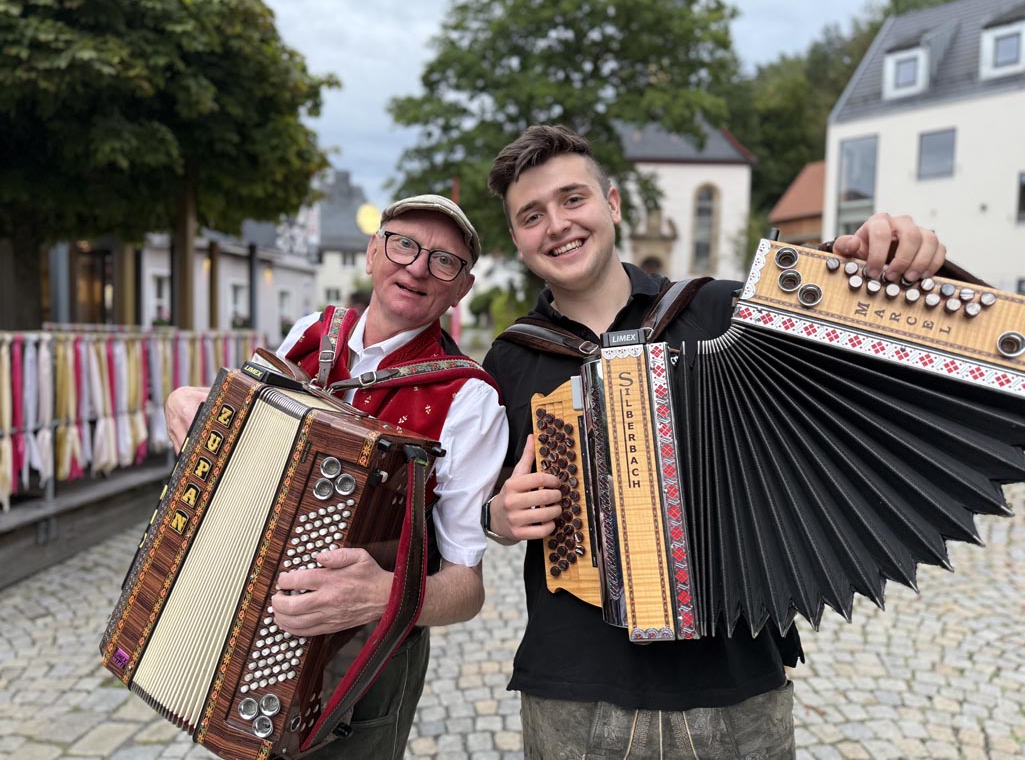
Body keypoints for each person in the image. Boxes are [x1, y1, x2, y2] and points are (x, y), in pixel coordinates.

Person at [480, 125, 949, 759]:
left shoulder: (727, 311)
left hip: (735, 687)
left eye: (573, 199)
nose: (557, 225)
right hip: (574, 692)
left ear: (612, 204)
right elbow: (478, 509)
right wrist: (499, 518)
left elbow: (877, 353)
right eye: (532, 215)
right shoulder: (508, 361)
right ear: (517, 239)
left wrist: (891, 262)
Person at [165, 194, 507, 760]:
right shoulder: (311, 332)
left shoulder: (469, 400)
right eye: (403, 244)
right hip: (247, 616)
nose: (418, 267)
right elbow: (249, 444)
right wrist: (187, 401)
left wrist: (381, 594)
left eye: (445, 261)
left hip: (365, 658)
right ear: (373, 252)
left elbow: (465, 589)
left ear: (462, 288)